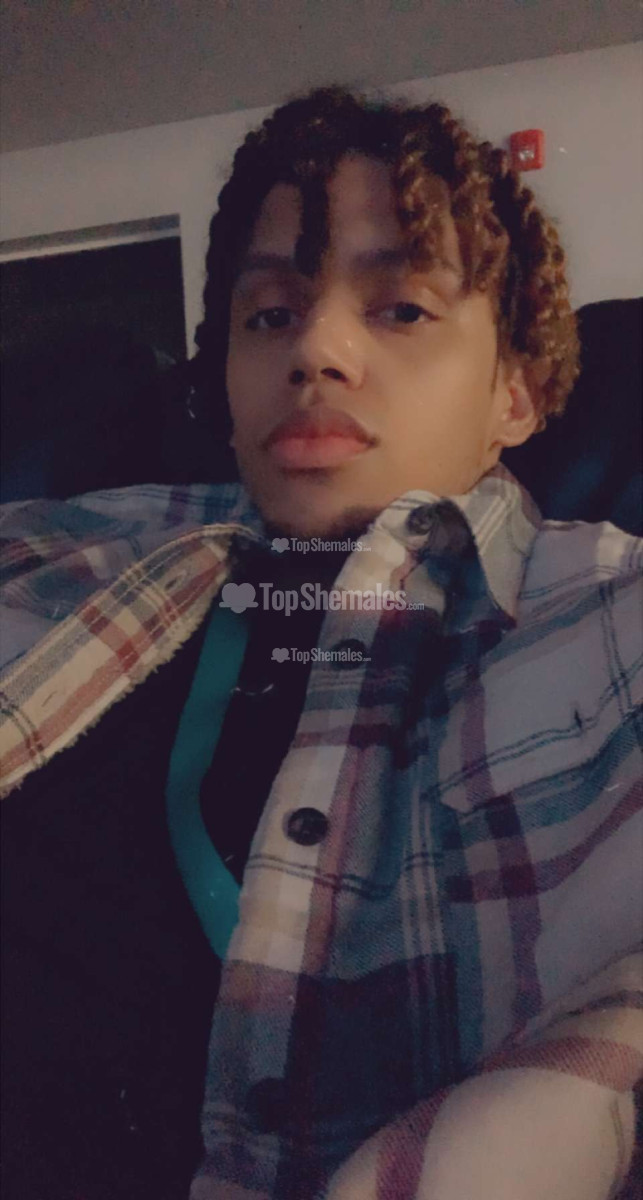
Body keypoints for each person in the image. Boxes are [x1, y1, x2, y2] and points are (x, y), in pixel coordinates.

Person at [0, 85, 641, 1200]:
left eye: (401, 309)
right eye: (269, 315)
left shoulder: (612, 617)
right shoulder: (60, 546)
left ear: (516, 392)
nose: (316, 348)